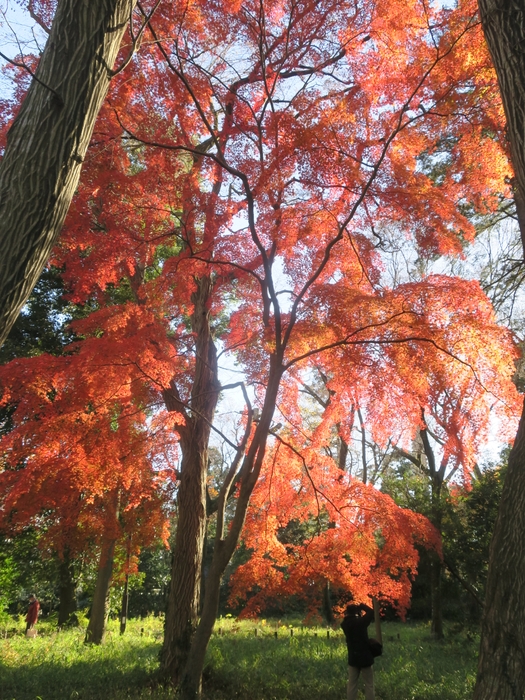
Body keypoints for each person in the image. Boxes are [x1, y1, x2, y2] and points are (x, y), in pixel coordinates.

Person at [341, 602, 376, 700]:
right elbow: (371, 612)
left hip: (353, 657)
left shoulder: (345, 624)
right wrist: (362, 606)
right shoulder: (361, 622)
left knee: (352, 684)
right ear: (357, 612)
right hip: (365, 657)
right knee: (369, 684)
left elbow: (346, 619)